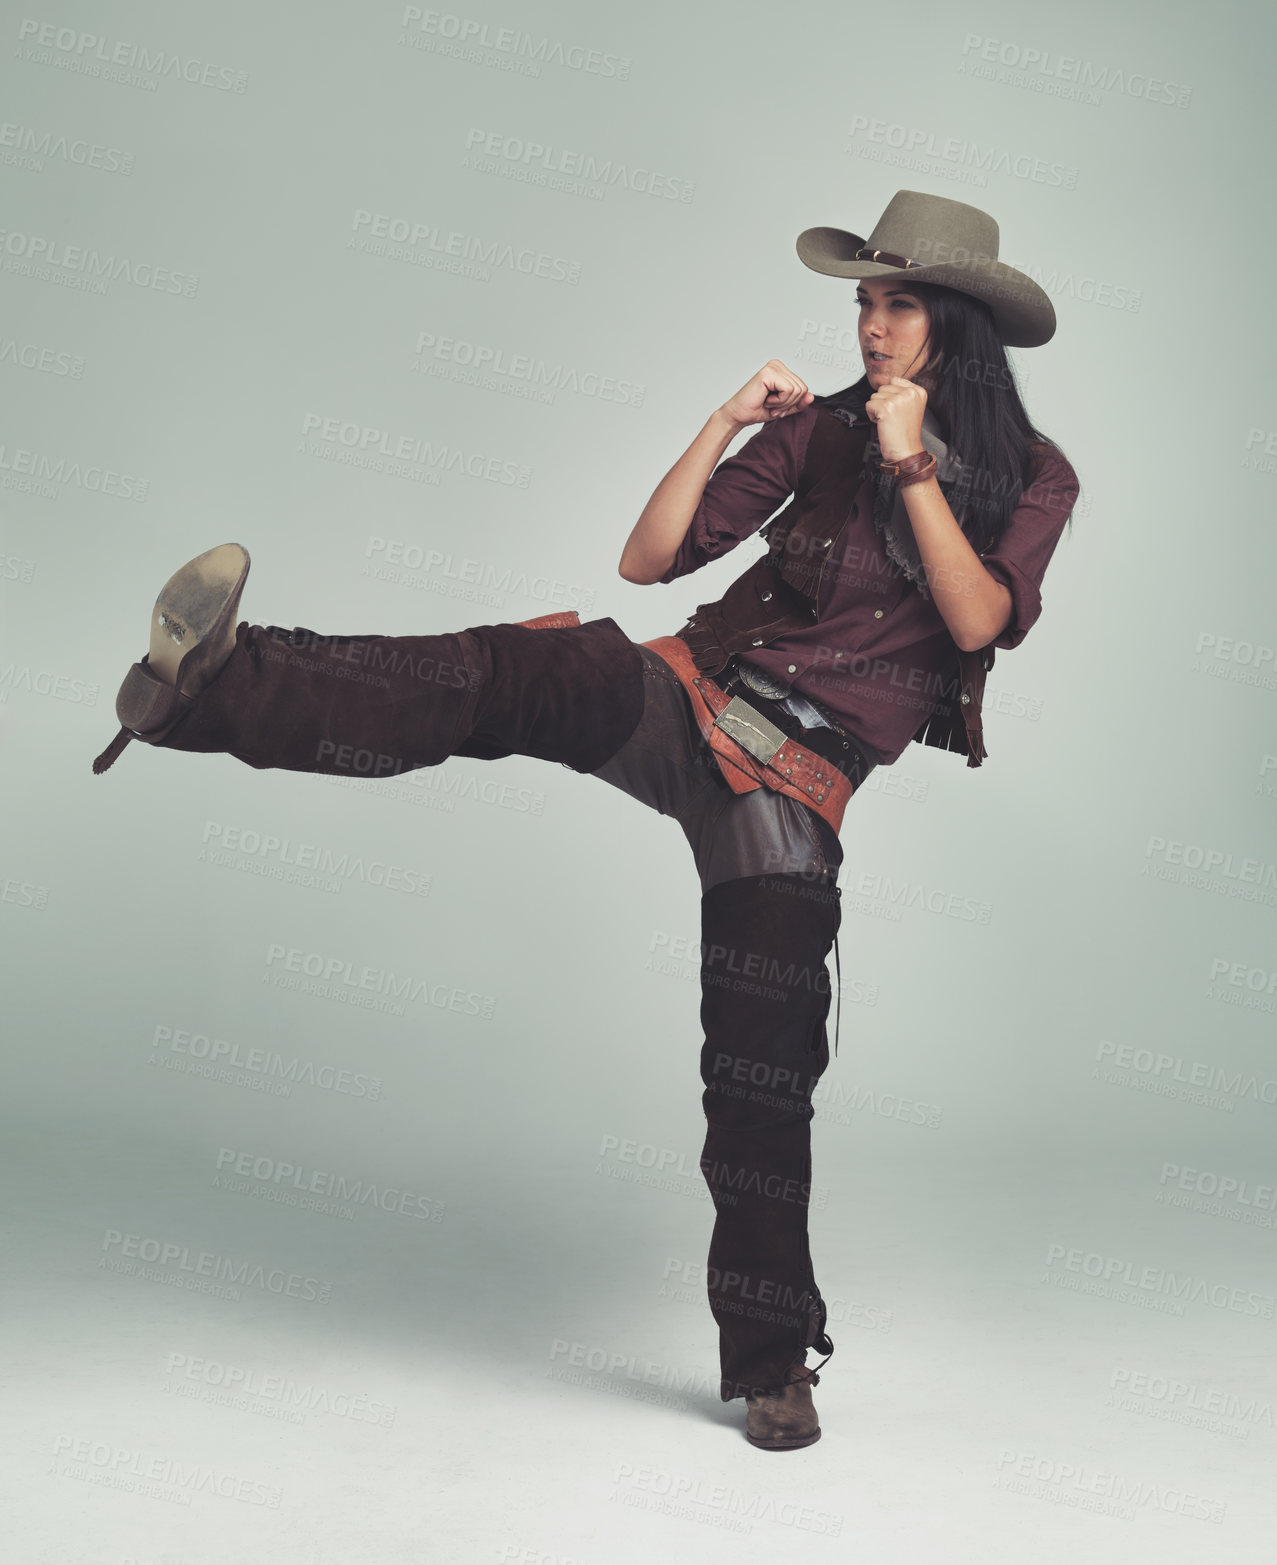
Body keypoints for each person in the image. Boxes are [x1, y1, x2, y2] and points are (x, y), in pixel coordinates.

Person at [91, 190, 1079, 1452]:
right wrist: (725, 420)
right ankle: (212, 688)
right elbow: (646, 560)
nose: (868, 325)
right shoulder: (817, 432)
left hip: (794, 788)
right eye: (862, 302)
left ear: (955, 322)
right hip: (688, 694)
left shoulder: (1031, 478)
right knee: (498, 672)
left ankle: (772, 1361)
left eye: (893, 304)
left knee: (760, 1077)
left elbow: (975, 621)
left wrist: (910, 463)